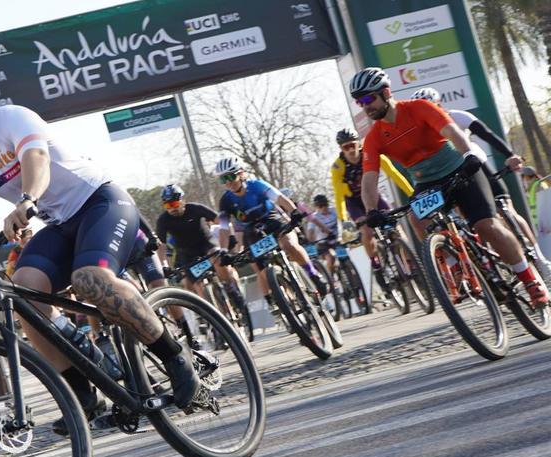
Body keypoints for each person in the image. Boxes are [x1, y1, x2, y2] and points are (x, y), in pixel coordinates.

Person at [0, 53, 199, 416]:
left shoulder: (13, 118)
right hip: (60, 223)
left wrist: (27, 200)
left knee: (91, 279)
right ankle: (82, 396)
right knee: (26, 296)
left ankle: (175, 358)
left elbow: (37, 161)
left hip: (100, 202)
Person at [349, 67, 548, 306]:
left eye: (369, 98)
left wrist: (468, 156)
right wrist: (371, 210)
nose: (365, 106)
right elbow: (369, 179)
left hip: (459, 169)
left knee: (487, 225)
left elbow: (453, 132)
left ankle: (530, 280)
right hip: (427, 182)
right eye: (360, 102)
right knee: (416, 218)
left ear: (386, 92)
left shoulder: (419, 108)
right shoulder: (373, 138)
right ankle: (453, 266)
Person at [410, 87, 551, 280]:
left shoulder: (457, 116)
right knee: (471, 223)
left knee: (507, 210)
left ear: (439, 105)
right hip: (454, 175)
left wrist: (510, 156)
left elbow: (487, 134)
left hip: (478, 165)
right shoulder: (420, 132)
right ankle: (487, 264)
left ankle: (539, 258)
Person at [213, 157, 325, 307]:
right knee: (262, 271)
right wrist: (224, 250)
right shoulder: (225, 200)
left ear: (240, 174)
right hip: (251, 229)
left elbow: (280, 198)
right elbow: (224, 228)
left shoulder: (256, 185)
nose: (228, 182)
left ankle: (313, 274)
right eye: (223, 179)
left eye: (230, 177)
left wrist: (294, 212)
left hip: (271, 219)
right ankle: (286, 301)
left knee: (289, 245)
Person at [330, 127, 414, 270]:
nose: (350, 150)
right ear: (341, 149)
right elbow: (338, 195)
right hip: (354, 202)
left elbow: (394, 174)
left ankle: (411, 261)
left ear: (359, 144)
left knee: (395, 228)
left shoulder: (372, 155)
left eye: (353, 145)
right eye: (346, 147)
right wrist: (343, 219)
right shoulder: (338, 167)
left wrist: (411, 193)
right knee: (367, 231)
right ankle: (375, 262)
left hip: (372, 196)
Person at [155, 184, 245, 308]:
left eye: (175, 204)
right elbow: (161, 245)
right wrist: (164, 265)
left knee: (217, 258)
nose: (172, 209)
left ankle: (230, 288)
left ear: (183, 201)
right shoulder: (163, 220)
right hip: (186, 252)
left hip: (206, 243)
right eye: (168, 206)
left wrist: (231, 238)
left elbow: (221, 220)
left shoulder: (195, 208)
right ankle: (212, 313)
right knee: (196, 284)